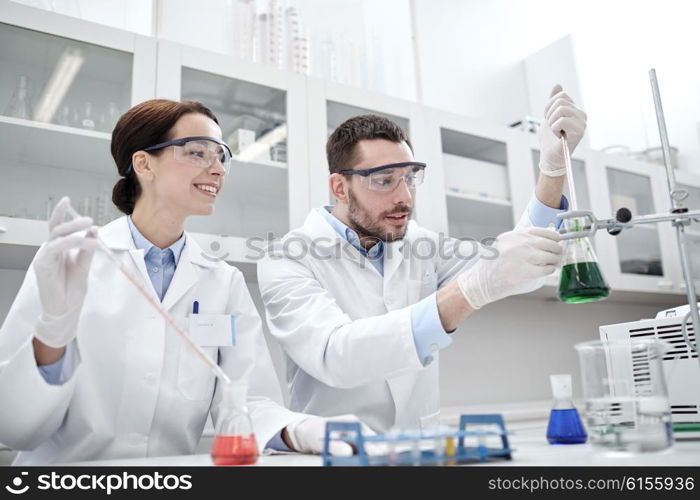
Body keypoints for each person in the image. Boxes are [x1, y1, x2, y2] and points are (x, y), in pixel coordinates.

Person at [0, 99, 370, 465]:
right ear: (144, 163)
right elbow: (14, 426)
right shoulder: (70, 260)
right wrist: (52, 334)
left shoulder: (223, 282)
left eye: (222, 156)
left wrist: (298, 430)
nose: (218, 169)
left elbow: (245, 399)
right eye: (198, 153)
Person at [257, 86, 585, 432]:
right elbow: (335, 355)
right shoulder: (287, 258)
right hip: (337, 454)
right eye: (384, 181)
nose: (404, 197)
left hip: (420, 450)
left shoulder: (419, 244)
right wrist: (468, 292)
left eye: (410, 179)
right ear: (340, 188)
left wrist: (551, 170)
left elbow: (517, 262)